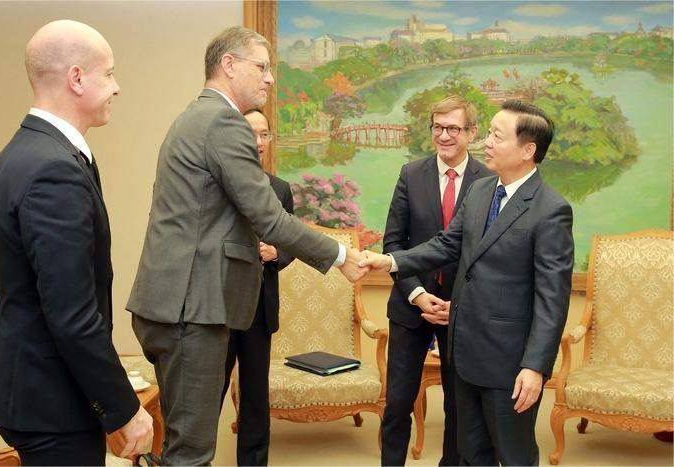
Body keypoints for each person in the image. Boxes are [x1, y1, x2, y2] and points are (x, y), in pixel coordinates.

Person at [125, 26, 367, 466]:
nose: (271, 79)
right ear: (229, 65)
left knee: (182, 446)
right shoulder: (221, 122)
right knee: (191, 455)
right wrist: (341, 256)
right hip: (192, 308)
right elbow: (269, 217)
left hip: (176, 303)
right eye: (262, 67)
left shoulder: (194, 117)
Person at [362, 100, 573, 466]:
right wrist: (390, 260)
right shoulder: (481, 192)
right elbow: (446, 244)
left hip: (509, 364)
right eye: (488, 133)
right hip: (465, 354)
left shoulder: (550, 209)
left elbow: (552, 300)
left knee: (513, 455)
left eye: (496, 135)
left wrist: (535, 366)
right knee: (471, 454)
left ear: (527, 150)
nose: (486, 142)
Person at [0, 20, 152, 465]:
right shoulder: (51, 171)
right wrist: (124, 409)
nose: (118, 87)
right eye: (110, 73)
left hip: (35, 385)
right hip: (50, 401)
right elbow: (73, 315)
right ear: (76, 78)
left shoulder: (26, 151)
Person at [380, 96, 491, 466]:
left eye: (453, 128)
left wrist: (455, 302)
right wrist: (416, 294)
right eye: (437, 128)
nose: (444, 136)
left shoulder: (490, 183)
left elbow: (488, 254)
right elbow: (394, 243)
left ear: (471, 133)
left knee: (460, 409)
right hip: (411, 308)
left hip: (462, 312)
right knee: (397, 404)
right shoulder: (411, 175)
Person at [219, 109, 293, 466]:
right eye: (252, 133)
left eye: (265, 135)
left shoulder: (280, 189)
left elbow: (291, 245)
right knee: (209, 393)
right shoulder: (218, 185)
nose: (259, 142)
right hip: (218, 306)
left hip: (259, 308)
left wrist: (277, 252)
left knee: (255, 397)